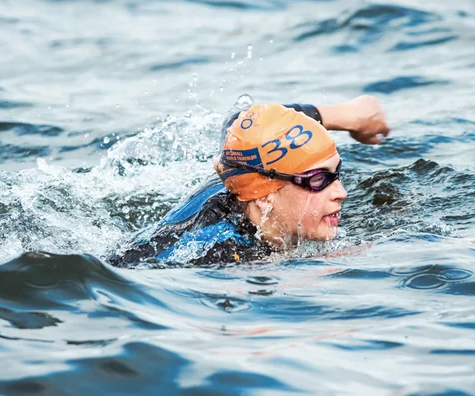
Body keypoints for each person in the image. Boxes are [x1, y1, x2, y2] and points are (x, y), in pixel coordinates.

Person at [109, 95, 390, 268]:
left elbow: (240, 122)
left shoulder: (243, 162)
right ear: (265, 195)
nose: (341, 192)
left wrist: (346, 116)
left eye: (336, 173)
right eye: (319, 180)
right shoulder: (227, 256)